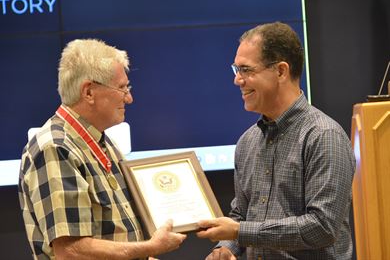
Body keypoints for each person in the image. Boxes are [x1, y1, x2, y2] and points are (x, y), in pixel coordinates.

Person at [196, 22, 356, 260]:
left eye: (246, 70)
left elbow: (321, 227)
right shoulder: (247, 142)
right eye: (236, 70)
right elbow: (241, 213)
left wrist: (240, 232)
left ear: (281, 71)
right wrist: (226, 248)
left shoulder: (323, 136)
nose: (237, 80)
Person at [18, 39, 186, 260]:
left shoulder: (101, 141)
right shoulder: (55, 147)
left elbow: (117, 234)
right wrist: (150, 248)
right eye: (122, 88)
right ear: (88, 92)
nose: (129, 98)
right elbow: (71, 251)